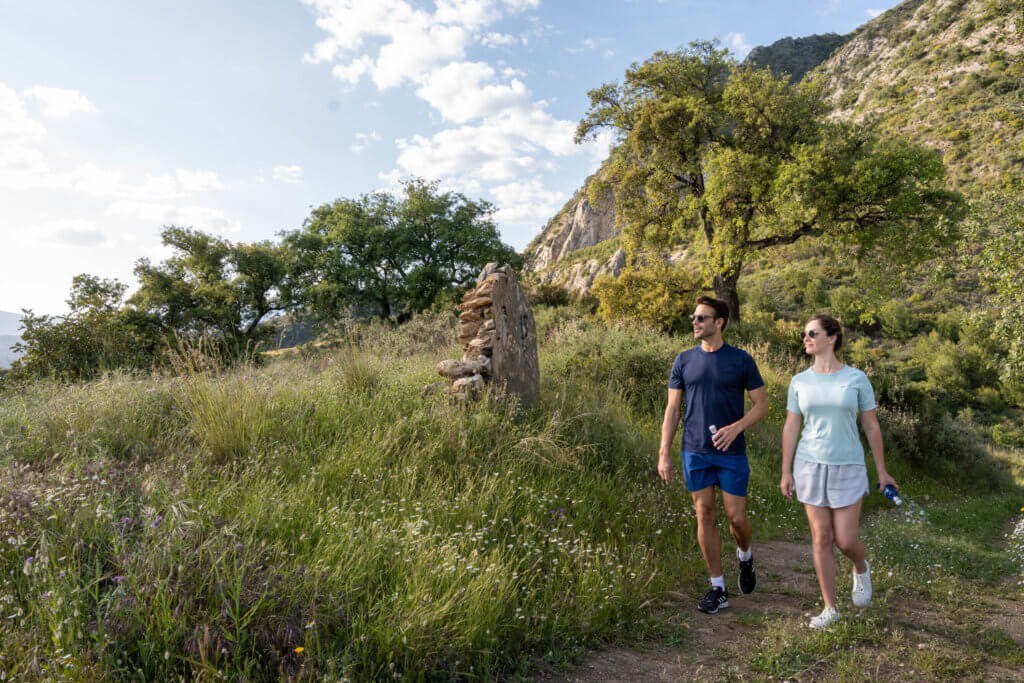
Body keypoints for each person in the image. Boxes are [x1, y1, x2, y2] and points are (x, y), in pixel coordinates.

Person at [780, 313, 897, 630]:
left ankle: (861, 566)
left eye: (812, 333)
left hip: (848, 464)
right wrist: (786, 471)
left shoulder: (856, 378)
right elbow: (792, 427)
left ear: (832, 338)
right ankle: (830, 608)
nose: (805, 338)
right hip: (810, 464)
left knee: (845, 541)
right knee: (821, 537)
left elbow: (871, 427)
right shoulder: (799, 381)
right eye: (804, 334)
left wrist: (882, 471)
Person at [658, 296, 770, 614]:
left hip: (731, 452)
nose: (695, 322)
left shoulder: (742, 360)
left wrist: (736, 428)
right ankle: (717, 587)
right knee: (704, 514)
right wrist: (664, 451)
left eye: (701, 318)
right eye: (694, 317)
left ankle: (745, 556)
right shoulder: (683, 361)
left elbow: (761, 405)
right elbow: (673, 408)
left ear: (719, 322)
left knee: (736, 519)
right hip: (694, 450)